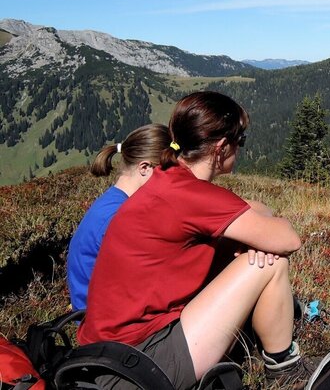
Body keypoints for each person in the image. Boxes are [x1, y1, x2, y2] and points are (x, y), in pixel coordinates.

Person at [78, 91, 315, 390]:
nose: (240, 149)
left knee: (246, 249)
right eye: (240, 142)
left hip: (103, 356)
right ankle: (285, 369)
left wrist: (248, 235)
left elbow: (252, 209)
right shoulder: (192, 194)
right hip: (134, 368)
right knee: (270, 262)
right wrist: (259, 237)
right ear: (221, 148)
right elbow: (288, 240)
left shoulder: (167, 178)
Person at [66, 123, 171, 311]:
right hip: (103, 323)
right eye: (169, 173)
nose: (173, 181)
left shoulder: (114, 202)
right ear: (145, 168)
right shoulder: (120, 217)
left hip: (96, 312)